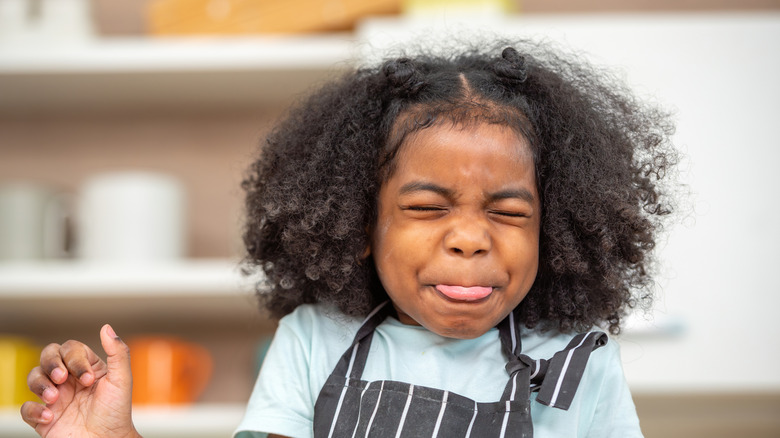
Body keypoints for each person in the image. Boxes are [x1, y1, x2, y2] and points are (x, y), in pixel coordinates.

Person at [20, 39, 677, 438]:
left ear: (554, 228)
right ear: (361, 226)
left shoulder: (578, 359)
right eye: (427, 207)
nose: (471, 239)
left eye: (508, 213)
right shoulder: (314, 340)